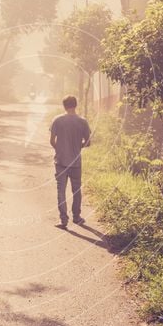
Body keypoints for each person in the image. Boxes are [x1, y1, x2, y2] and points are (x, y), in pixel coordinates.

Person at [49, 95, 91, 228]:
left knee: (61, 191)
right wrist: (78, 147)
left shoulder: (57, 120)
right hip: (76, 162)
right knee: (76, 190)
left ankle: (63, 220)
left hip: (60, 161)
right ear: (76, 105)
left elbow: (51, 141)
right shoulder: (82, 121)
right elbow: (88, 142)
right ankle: (77, 217)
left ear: (64, 106)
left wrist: (60, 149)